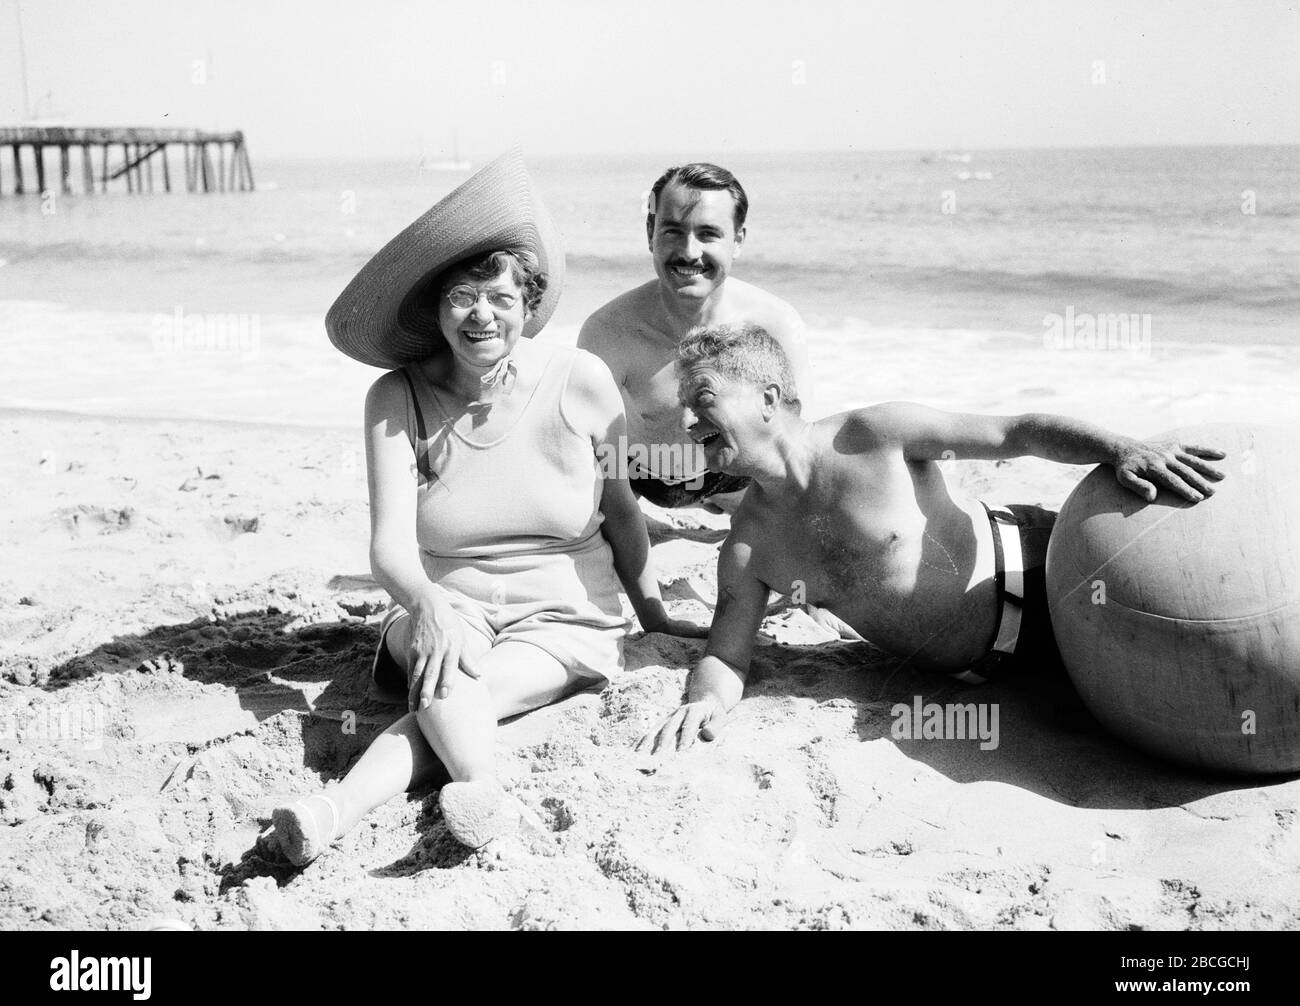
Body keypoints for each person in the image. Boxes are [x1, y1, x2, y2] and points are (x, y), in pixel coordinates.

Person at [264, 151, 704, 864]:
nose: (482, 315)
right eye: (463, 297)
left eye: (502, 298)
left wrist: (653, 616)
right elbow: (389, 547)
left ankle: (334, 809)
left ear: (529, 308)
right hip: (445, 600)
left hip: (563, 617)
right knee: (448, 660)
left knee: (467, 690)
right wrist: (428, 607)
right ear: (435, 309)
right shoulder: (395, 398)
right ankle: (485, 788)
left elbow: (621, 511)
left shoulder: (582, 382)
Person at [639, 322, 1226, 755]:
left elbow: (1013, 433)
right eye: (686, 410)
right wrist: (705, 700)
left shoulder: (872, 435)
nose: (691, 425)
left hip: (1052, 565)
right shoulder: (746, 544)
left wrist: (1124, 449)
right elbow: (726, 651)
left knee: (1210, 604)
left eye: (704, 401)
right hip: (1017, 671)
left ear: (768, 399)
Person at [578, 162, 809, 510]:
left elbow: (800, 447)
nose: (689, 251)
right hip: (644, 475)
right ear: (650, 232)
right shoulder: (608, 332)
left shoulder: (776, 325)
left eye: (708, 233)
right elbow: (586, 452)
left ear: (738, 241)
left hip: (737, 477)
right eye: (672, 231)